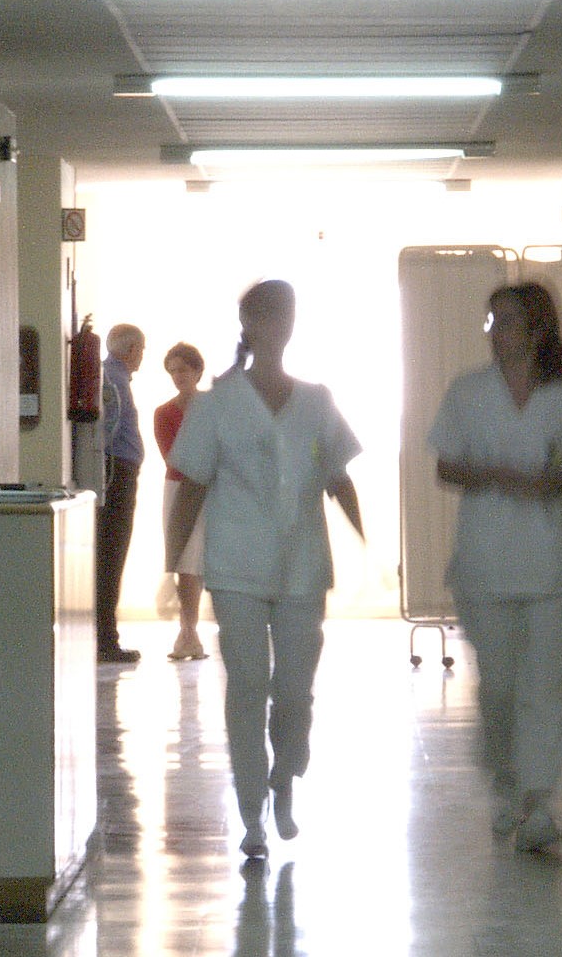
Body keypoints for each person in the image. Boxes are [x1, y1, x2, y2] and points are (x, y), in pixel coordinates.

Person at [165, 280, 363, 860]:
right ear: (249, 324)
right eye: (268, 317)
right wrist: (173, 563)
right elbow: (192, 487)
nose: (279, 327)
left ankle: (287, 773)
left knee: (294, 691)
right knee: (248, 687)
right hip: (236, 567)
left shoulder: (317, 399)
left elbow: (338, 476)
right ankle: (251, 811)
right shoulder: (216, 404)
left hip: (303, 566)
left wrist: (361, 531)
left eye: (287, 316)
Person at [427, 281, 562, 853]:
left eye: (506, 321)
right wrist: (495, 475)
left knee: (545, 688)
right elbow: (446, 467)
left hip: (548, 563)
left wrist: (553, 482)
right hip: (484, 564)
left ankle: (537, 802)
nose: (496, 333)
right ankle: (507, 781)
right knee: (501, 688)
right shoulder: (468, 393)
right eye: (491, 323)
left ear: (537, 328)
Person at [152, 341, 210, 662]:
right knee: (184, 561)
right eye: (173, 371)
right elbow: (173, 458)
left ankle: (191, 632)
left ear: (198, 371)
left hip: (213, 490)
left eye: (183, 370)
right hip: (180, 491)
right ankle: (188, 631)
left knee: (203, 562)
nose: (178, 376)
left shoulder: (214, 407)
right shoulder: (164, 413)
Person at [98, 322, 146, 665]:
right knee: (112, 554)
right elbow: (109, 430)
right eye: (141, 349)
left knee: (109, 556)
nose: (142, 355)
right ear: (130, 350)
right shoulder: (114, 382)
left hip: (116, 470)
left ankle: (104, 634)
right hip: (117, 473)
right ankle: (106, 638)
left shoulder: (112, 379)